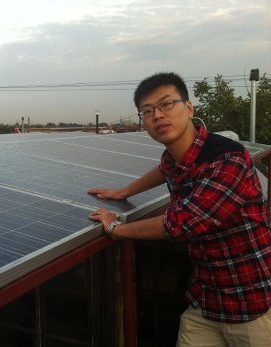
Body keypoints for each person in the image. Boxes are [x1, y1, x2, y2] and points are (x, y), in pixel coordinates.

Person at [88, 72, 271, 346]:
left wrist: (117, 228)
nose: (158, 115)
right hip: (206, 299)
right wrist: (125, 191)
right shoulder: (176, 156)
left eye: (166, 104)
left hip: (253, 302)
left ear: (188, 108)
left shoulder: (227, 159)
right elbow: (164, 169)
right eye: (147, 111)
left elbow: (181, 223)